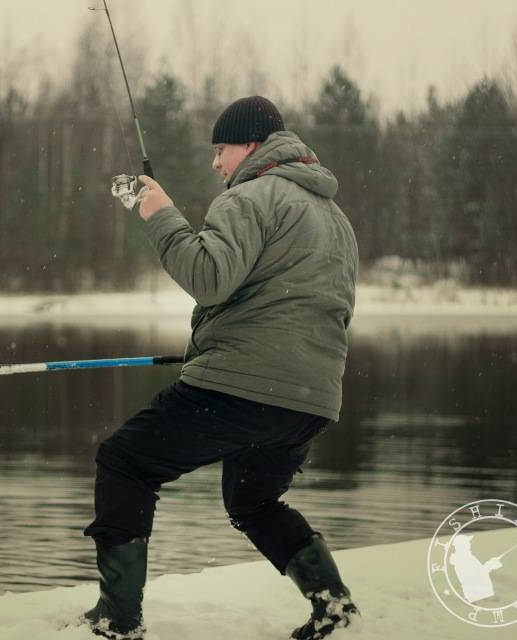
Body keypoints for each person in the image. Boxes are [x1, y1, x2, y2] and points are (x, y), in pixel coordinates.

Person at [80, 96, 361, 639]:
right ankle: (334, 607)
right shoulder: (334, 217)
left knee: (125, 462)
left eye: (221, 149)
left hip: (245, 389)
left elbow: (208, 278)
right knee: (253, 501)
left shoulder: (249, 198)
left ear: (251, 146)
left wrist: (158, 211)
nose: (215, 163)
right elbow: (310, 304)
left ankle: (118, 618)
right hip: (312, 398)